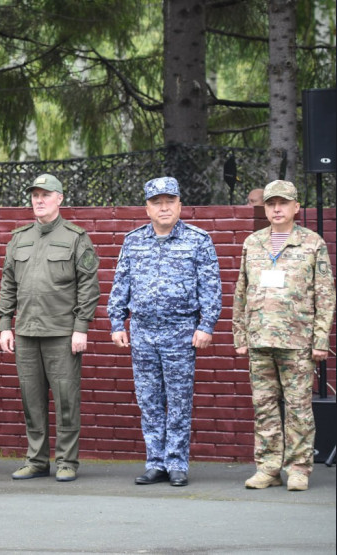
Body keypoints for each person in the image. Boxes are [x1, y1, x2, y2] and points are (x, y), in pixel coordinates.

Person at [107, 176, 221, 487]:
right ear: (147, 208)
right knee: (149, 401)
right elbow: (121, 285)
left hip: (181, 332)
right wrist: (117, 322)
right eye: (157, 202)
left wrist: (206, 325)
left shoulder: (198, 240)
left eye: (170, 201)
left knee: (180, 400)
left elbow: (210, 287)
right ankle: (155, 462)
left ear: (180, 205)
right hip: (143, 332)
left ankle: (177, 463)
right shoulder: (133, 241)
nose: (164, 207)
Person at [233, 180, 336, 492]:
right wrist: (240, 336)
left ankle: (299, 469)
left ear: (296, 207)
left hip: (297, 342)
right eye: (270, 204)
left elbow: (325, 294)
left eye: (282, 203)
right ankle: (267, 468)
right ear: (264, 208)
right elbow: (241, 291)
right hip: (260, 340)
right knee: (263, 407)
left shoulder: (312, 243)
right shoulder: (253, 243)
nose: (276, 209)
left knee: (299, 408)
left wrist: (320, 340)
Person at [0, 174, 100, 482]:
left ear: (60, 198)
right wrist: (5, 325)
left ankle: (67, 461)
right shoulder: (20, 238)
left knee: (67, 399)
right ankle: (37, 460)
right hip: (26, 333)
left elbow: (89, 286)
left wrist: (81, 327)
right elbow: (7, 283)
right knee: (32, 400)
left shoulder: (75, 237)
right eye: (35, 195)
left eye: (45, 194)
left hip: (62, 334)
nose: (38, 200)